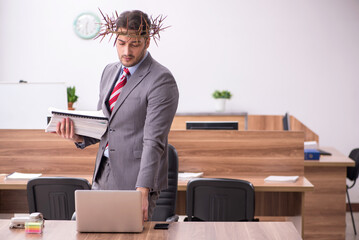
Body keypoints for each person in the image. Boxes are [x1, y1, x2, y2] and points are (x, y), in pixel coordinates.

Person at [55, 10, 179, 221]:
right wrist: (79, 136)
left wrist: (143, 189)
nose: (126, 51)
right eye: (121, 43)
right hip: (103, 175)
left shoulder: (161, 79)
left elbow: (154, 141)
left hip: (137, 180)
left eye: (134, 44)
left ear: (147, 42)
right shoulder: (109, 72)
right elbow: (105, 125)